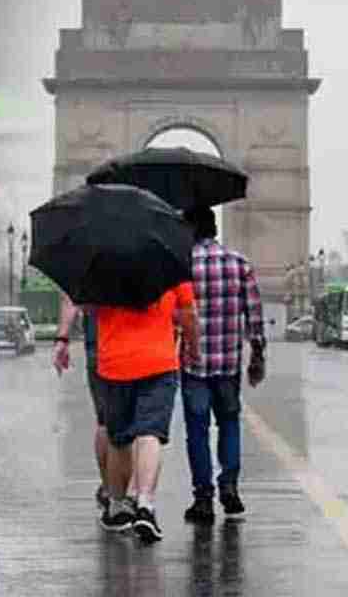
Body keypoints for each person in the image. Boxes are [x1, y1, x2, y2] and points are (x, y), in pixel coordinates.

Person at [94, 272, 198, 544]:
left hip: (114, 363)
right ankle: (145, 505)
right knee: (150, 434)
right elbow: (188, 312)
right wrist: (193, 346)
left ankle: (118, 508)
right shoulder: (168, 261)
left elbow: (86, 306)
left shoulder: (103, 262)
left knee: (119, 439)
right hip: (158, 362)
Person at [179, 207, 266, 525]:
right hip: (229, 363)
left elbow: (176, 315)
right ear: (215, 229)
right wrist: (257, 356)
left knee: (197, 431)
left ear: (191, 231)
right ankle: (229, 485)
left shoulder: (183, 266)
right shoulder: (240, 264)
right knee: (229, 424)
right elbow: (254, 315)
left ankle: (203, 498)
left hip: (193, 364)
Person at [52, 294, 111, 511]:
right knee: (137, 426)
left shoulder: (86, 260)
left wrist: (62, 339)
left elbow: (70, 298)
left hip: (100, 346)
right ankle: (137, 493)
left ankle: (109, 488)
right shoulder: (147, 259)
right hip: (141, 346)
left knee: (105, 423)